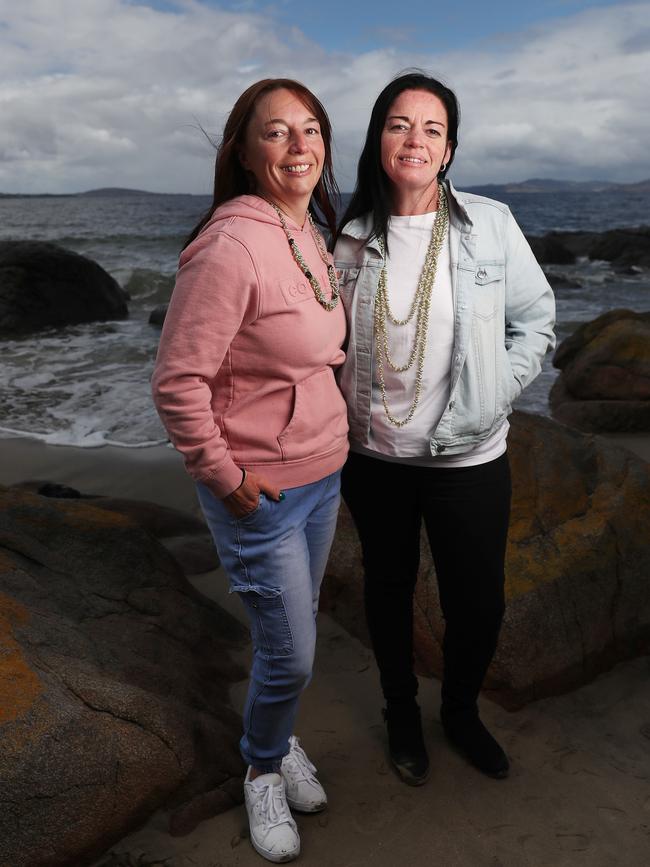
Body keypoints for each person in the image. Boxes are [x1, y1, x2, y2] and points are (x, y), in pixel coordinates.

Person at [333, 71, 555, 786]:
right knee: (388, 589)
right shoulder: (347, 236)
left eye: (432, 128)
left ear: (450, 149)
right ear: (378, 139)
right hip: (374, 456)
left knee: (477, 600)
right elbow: (320, 342)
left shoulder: (491, 224)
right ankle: (403, 712)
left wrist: (495, 391)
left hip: (470, 456)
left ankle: (459, 711)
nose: (415, 139)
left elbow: (537, 320)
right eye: (399, 124)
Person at [152, 79, 348, 863]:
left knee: (286, 641)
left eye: (310, 131)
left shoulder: (305, 231)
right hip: (260, 491)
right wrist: (226, 476)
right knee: (293, 651)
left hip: (322, 475)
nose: (298, 147)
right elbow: (176, 381)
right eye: (276, 133)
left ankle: (275, 737)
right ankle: (262, 765)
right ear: (243, 150)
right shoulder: (230, 246)